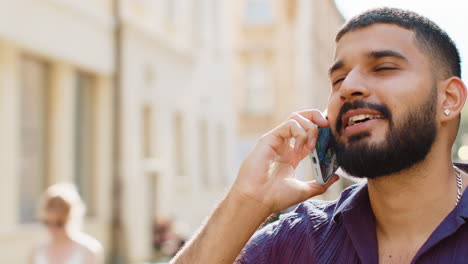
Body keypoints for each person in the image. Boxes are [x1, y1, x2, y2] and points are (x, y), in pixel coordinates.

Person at [170, 7, 468, 264]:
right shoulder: (299, 239)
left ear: (449, 99)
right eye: (338, 79)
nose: (348, 86)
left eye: (384, 67)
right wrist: (247, 202)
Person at [30, 183, 104, 264]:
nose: (52, 228)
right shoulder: (36, 250)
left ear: (71, 219)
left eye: (59, 223)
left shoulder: (89, 250)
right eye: (47, 222)